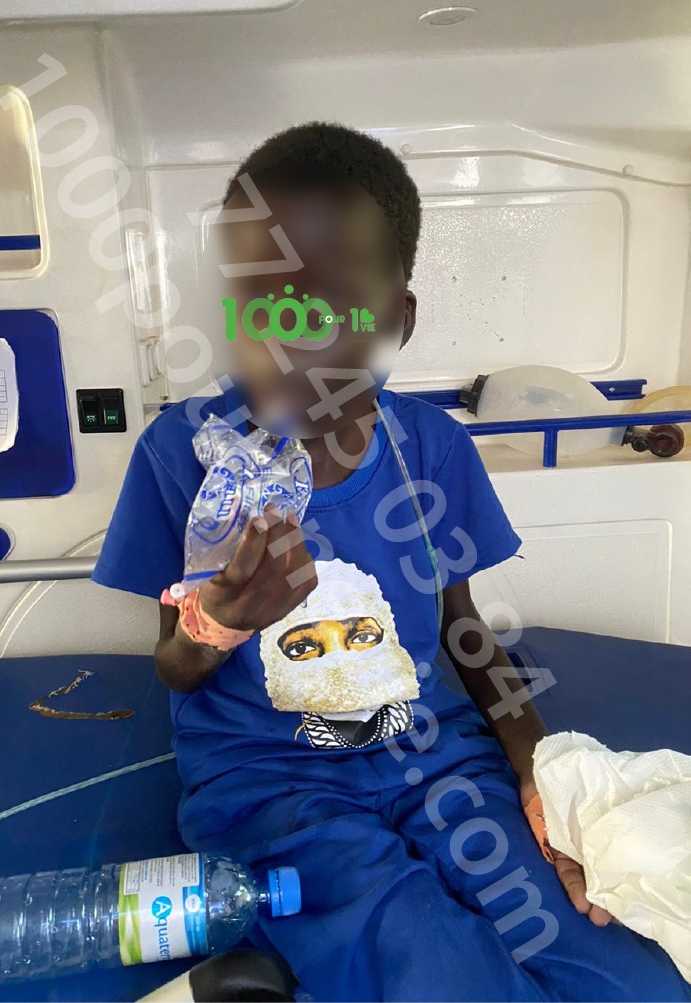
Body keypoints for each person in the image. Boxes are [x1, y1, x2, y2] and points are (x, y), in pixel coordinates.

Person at [92, 122, 691, 1002]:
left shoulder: (432, 448)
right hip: (273, 782)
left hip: (439, 757)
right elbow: (174, 667)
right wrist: (219, 622)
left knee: (626, 974)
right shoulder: (183, 454)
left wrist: (539, 775)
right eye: (261, 302)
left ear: (394, 320)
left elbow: (462, 630)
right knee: (436, 972)